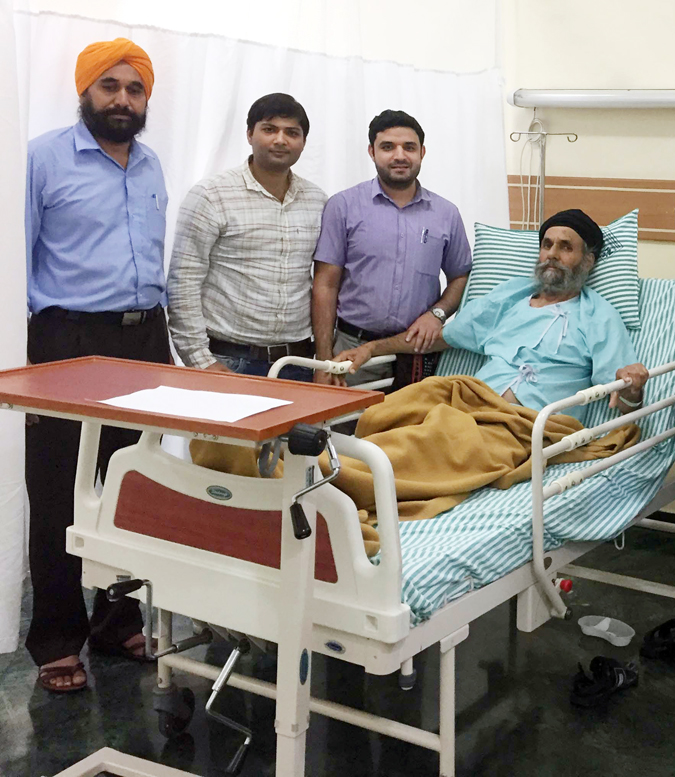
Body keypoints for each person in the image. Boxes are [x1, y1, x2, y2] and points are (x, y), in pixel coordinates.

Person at [24, 38, 171, 692]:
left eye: (133, 88)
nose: (122, 99)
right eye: (109, 86)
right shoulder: (40, 159)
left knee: (132, 484)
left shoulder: (151, 165)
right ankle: (58, 637)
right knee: (59, 489)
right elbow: (14, 262)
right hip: (68, 341)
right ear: (85, 90)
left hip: (144, 339)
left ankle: (118, 622)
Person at [333, 208, 647, 418]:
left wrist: (634, 387)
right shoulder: (511, 297)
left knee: (414, 453)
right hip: (467, 403)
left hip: (526, 426)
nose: (551, 254)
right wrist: (371, 348)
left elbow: (625, 399)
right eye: (547, 244)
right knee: (383, 416)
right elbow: (441, 338)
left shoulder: (599, 316)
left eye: (566, 247)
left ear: (588, 261)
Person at [167, 93, 326, 380]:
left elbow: (324, 283)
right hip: (229, 362)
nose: (281, 140)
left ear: (303, 142)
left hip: (299, 363)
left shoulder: (318, 201)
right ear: (249, 134)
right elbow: (183, 284)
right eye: (269, 129)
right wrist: (202, 363)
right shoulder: (211, 196)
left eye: (292, 133)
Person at [313, 110, 471, 390]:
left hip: (416, 352)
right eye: (388, 147)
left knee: (410, 431)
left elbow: (460, 275)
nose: (400, 156)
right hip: (351, 352)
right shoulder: (344, 206)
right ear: (372, 152)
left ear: (422, 152)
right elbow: (325, 285)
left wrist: (437, 314)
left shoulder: (446, 213)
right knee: (344, 431)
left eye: (409, 147)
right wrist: (324, 361)